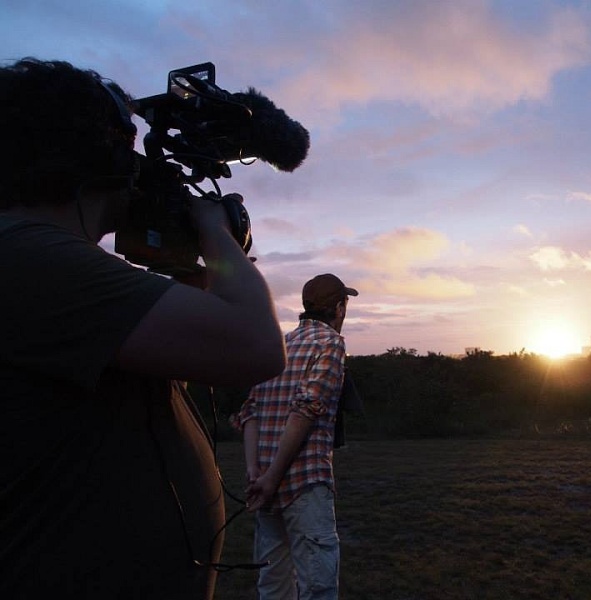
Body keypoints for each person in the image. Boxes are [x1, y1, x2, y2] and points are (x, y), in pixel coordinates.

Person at [0, 58, 287, 599]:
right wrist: (214, 230)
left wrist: (184, 269)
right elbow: (253, 346)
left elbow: (184, 347)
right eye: (126, 149)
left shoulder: (50, 264)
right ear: (93, 155)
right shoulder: (25, 254)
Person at [234, 273, 359, 599]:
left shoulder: (280, 345)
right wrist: (272, 477)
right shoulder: (331, 344)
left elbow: (250, 411)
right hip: (303, 488)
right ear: (339, 308)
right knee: (317, 588)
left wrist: (255, 472)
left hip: (264, 490)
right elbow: (305, 410)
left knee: (273, 587)